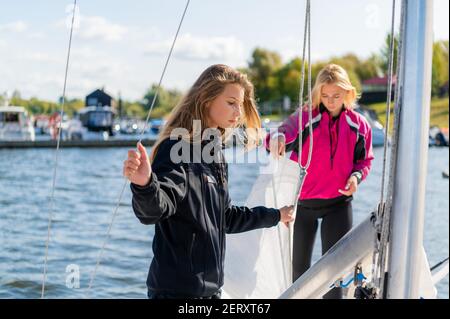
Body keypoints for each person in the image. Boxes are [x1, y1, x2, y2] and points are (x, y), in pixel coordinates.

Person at [123, 64, 294, 299]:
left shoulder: (215, 155)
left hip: (211, 292)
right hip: (176, 293)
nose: (238, 112)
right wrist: (144, 185)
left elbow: (225, 218)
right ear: (206, 99)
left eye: (240, 105)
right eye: (231, 102)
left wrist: (276, 215)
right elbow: (154, 211)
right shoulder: (176, 148)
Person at [266, 64, 374, 299]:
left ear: (347, 93)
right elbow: (281, 132)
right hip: (302, 206)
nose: (331, 101)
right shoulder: (306, 116)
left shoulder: (359, 125)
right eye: (325, 96)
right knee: (299, 273)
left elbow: (364, 161)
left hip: (339, 205)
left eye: (336, 96)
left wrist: (356, 177)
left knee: (334, 275)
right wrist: (277, 138)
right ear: (318, 94)